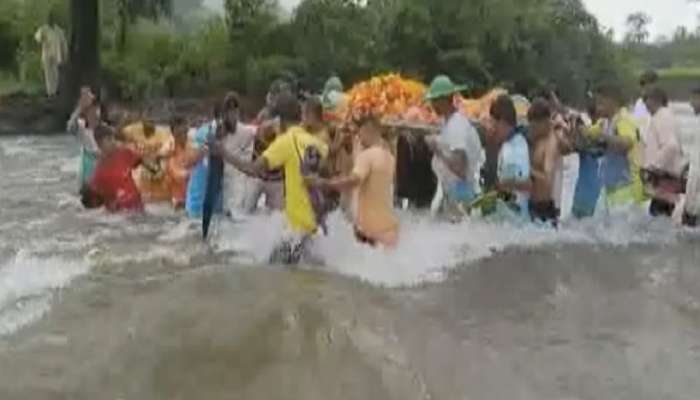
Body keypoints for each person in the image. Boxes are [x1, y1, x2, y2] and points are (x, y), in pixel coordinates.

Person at [212, 92, 329, 263]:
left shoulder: (286, 142)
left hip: (295, 233)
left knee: (271, 272)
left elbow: (253, 169)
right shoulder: (318, 144)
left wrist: (224, 153)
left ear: (280, 119)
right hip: (316, 231)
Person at [308, 115, 399, 248]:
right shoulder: (389, 157)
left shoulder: (367, 156)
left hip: (369, 228)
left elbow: (353, 180)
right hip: (389, 228)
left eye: (359, 133)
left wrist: (325, 184)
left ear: (368, 130)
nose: (358, 138)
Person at [423, 75, 483, 218]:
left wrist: (437, 150)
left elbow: (460, 168)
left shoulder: (457, 125)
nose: (432, 105)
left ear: (444, 100)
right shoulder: (449, 123)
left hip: (462, 193)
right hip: (454, 193)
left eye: (434, 101)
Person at [185, 93, 240, 218]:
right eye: (232, 113)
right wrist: (207, 147)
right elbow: (188, 162)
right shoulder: (203, 132)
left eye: (236, 112)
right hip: (198, 204)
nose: (236, 117)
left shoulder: (236, 135)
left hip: (219, 205)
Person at [593, 84, 645, 208]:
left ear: (612, 101)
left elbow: (627, 143)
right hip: (610, 189)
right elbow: (589, 133)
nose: (597, 107)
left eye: (601, 103)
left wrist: (604, 137)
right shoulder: (604, 122)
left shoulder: (624, 120)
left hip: (626, 189)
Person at [642, 86, 686, 217]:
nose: (645, 104)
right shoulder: (667, 116)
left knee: (658, 218)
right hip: (669, 179)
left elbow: (671, 146)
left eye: (646, 100)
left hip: (665, 180)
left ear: (657, 100)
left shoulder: (661, 117)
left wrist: (652, 167)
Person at [80, 125, 144, 213]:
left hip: (137, 206)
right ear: (99, 144)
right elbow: (95, 201)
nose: (113, 142)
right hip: (121, 215)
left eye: (113, 139)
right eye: (109, 140)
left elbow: (142, 163)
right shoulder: (99, 173)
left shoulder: (125, 153)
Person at [489, 94, 532, 219]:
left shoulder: (517, 146)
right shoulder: (508, 144)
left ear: (502, 122)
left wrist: (504, 184)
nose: (492, 129)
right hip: (510, 218)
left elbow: (528, 184)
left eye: (494, 124)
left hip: (517, 221)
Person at [120, 118, 174, 202]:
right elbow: (119, 137)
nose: (148, 123)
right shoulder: (132, 130)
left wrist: (155, 159)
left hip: (157, 165)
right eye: (146, 121)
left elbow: (167, 151)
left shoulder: (163, 133)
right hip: (140, 166)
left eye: (151, 121)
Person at [527, 98, 561, 225]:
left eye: (535, 125)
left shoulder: (551, 144)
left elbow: (547, 179)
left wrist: (528, 169)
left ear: (545, 122)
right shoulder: (538, 140)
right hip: (533, 205)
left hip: (544, 208)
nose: (532, 128)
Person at [67, 87, 101, 189]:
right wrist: (80, 107)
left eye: (95, 109)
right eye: (90, 110)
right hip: (87, 171)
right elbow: (70, 127)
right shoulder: (82, 128)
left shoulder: (104, 128)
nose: (94, 112)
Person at [166, 116, 202, 209]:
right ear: (173, 134)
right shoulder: (169, 151)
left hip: (194, 199)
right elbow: (178, 175)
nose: (183, 136)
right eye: (179, 134)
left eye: (185, 132)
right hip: (178, 201)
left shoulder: (195, 146)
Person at [34, 13, 67, 97]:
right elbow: (37, 38)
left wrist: (64, 54)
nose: (50, 20)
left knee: (55, 73)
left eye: (52, 19)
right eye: (49, 19)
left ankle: (55, 91)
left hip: (56, 54)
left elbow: (63, 43)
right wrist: (41, 37)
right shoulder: (44, 29)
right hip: (47, 54)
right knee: (48, 73)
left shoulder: (58, 30)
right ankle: (49, 92)